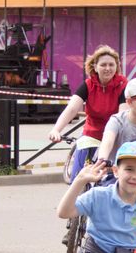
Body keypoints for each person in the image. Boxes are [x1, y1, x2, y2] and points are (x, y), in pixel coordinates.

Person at [48, 45, 127, 180]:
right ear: (95, 67)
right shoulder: (88, 85)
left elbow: (122, 115)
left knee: (116, 178)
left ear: (117, 67)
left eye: (111, 65)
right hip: (92, 134)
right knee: (78, 174)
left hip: (115, 136)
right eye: (103, 65)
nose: (107, 68)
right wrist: (56, 130)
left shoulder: (123, 85)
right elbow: (72, 108)